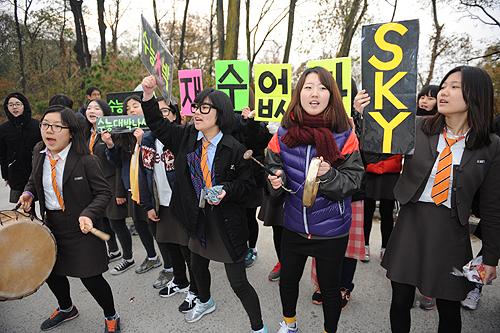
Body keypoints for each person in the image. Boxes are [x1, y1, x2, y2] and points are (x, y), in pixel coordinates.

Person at [354, 66, 500, 332]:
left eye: (454, 86)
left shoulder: (490, 145)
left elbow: (492, 205)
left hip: (451, 233)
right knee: (400, 301)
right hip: (410, 224)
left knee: (449, 308)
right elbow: (374, 156)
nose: (444, 91)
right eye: (444, 85)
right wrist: (365, 120)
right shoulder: (416, 126)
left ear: (477, 95)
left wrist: (490, 256)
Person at [141, 75, 268, 333]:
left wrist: (226, 190)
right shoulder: (186, 136)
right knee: (197, 266)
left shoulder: (234, 147)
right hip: (195, 218)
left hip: (226, 223)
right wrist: (147, 95)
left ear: (220, 114)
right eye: (196, 106)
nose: (197, 112)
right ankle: (205, 301)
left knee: (238, 283)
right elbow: (157, 124)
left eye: (205, 108)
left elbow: (246, 186)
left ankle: (258, 327)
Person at [266, 66, 364, 333]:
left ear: (331, 95)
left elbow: (354, 181)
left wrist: (330, 174)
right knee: (288, 281)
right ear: (299, 94)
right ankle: (289, 325)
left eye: (322, 88)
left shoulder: (345, 135)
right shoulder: (283, 134)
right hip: (294, 225)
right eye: (308, 86)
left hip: (332, 230)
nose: (315, 93)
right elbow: (275, 172)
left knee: (330, 290)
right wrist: (276, 180)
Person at [17, 105, 121, 332]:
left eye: (57, 126)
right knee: (51, 272)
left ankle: (111, 315)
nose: (49, 131)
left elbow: (104, 193)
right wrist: (28, 193)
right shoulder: (39, 152)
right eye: (45, 125)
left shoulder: (86, 160)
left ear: (71, 131)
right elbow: (34, 180)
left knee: (91, 278)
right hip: (50, 225)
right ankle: (66, 308)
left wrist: (88, 214)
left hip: (82, 227)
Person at [138, 96, 198, 312]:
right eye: (157, 111)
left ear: (175, 115)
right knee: (169, 244)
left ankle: (196, 289)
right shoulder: (146, 140)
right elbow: (143, 175)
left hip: (180, 203)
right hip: (160, 203)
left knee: (186, 248)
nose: (161, 115)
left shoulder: (184, 138)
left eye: (165, 111)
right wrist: (148, 204)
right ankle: (180, 281)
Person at [103, 95, 171, 276]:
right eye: (128, 109)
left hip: (150, 188)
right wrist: (110, 145)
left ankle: (170, 266)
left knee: (157, 228)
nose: (131, 111)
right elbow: (117, 163)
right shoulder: (123, 134)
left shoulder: (156, 130)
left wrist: (144, 141)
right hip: (132, 187)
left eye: (135, 106)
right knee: (140, 224)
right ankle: (151, 257)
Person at [83, 99, 134, 274]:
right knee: (103, 221)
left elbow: (118, 163)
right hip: (93, 185)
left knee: (116, 223)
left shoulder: (112, 131)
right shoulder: (86, 133)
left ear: (105, 113)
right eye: (89, 108)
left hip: (111, 183)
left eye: (96, 108)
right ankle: (114, 251)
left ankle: (129, 257)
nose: (92, 111)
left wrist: (119, 191)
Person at [415, 85, 440, 311]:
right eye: (422, 96)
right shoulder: (410, 123)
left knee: (433, 246)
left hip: (439, 199)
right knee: (414, 245)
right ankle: (410, 286)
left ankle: (430, 290)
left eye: (430, 98)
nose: (425, 101)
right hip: (413, 194)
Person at [1, 93, 42, 204]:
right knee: (20, 206)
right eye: (11, 105)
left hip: (35, 171)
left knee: (38, 203)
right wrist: (6, 175)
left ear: (24, 105)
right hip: (16, 172)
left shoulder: (37, 126)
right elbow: (3, 154)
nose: (14, 107)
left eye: (17, 104)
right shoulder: (4, 129)